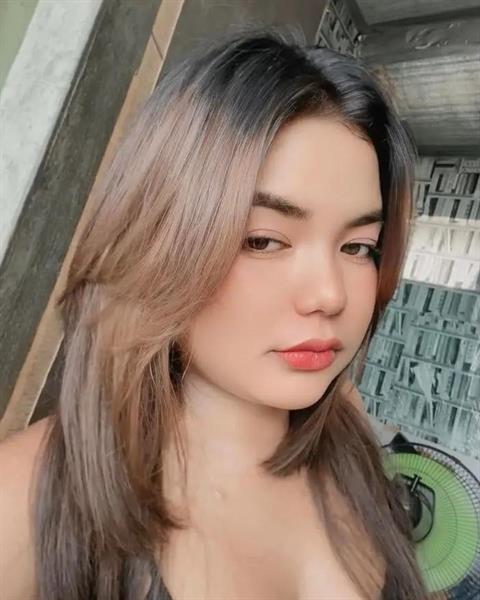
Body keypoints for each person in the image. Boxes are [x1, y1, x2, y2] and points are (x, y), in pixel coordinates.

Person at [0, 26, 431, 600]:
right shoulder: (25, 501)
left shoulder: (346, 427)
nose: (331, 295)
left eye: (358, 247)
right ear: (158, 239)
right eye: (263, 240)